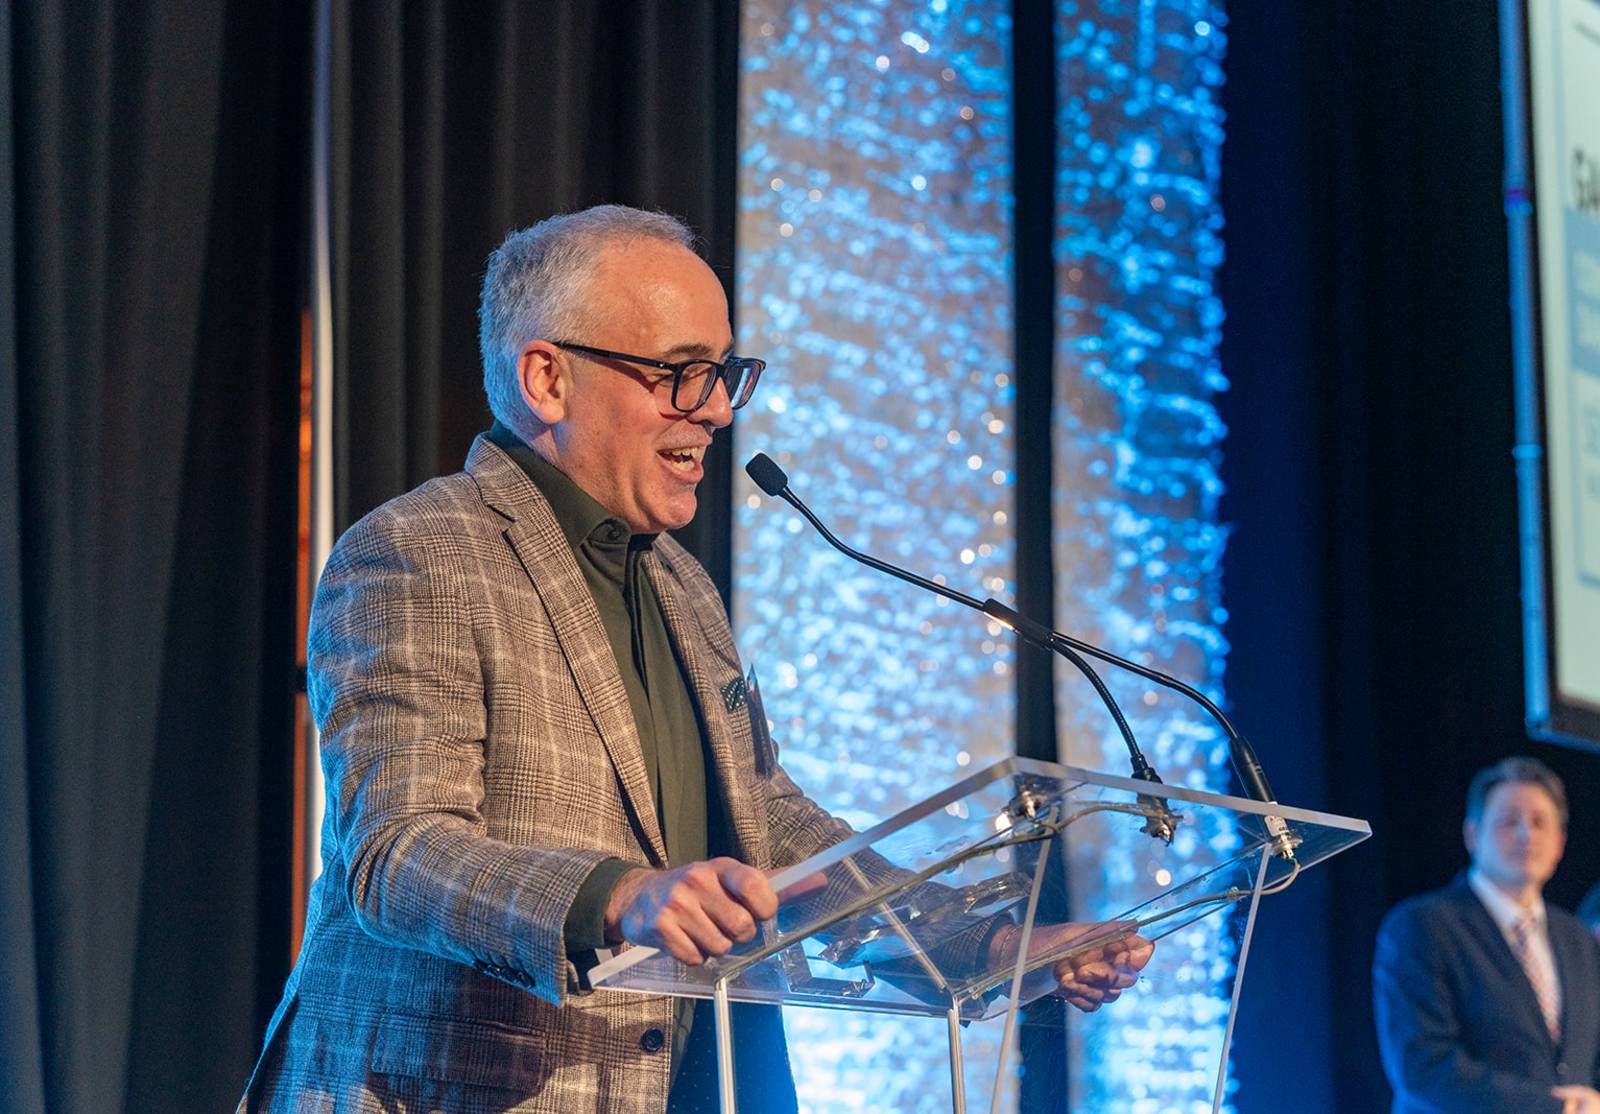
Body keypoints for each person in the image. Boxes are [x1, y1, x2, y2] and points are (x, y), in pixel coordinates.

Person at [237, 205, 1152, 1113]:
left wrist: (989, 944)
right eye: (679, 373)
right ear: (547, 379)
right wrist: (619, 896)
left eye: (722, 374)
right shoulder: (419, 550)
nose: (715, 409)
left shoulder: (681, 583)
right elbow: (395, 857)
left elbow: (775, 830)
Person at [1373, 756, 1600, 1114]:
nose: (1527, 834)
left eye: (1540, 823)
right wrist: (1555, 1108)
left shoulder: (1579, 940)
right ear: (1472, 834)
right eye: (1510, 821)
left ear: (1559, 843)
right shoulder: (1422, 927)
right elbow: (1423, 1067)